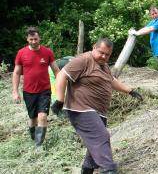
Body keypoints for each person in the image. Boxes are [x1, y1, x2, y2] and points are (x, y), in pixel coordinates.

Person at [51, 38, 143, 174]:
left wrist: (130, 91)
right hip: (80, 109)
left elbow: (112, 81)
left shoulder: (103, 65)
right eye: (101, 53)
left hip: (98, 111)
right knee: (101, 136)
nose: (104, 56)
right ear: (94, 47)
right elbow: (61, 76)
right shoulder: (83, 60)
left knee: (94, 143)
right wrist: (59, 100)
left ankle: (87, 169)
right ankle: (108, 168)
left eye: (107, 55)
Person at [12, 26, 60, 149]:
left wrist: (61, 86)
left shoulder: (47, 52)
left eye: (36, 39)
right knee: (32, 118)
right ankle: (34, 137)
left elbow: (56, 70)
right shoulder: (21, 53)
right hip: (28, 91)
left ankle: (39, 146)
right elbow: (17, 73)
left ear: (40, 38)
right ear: (27, 39)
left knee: (43, 116)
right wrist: (15, 92)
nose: (34, 41)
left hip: (44, 90)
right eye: (31, 39)